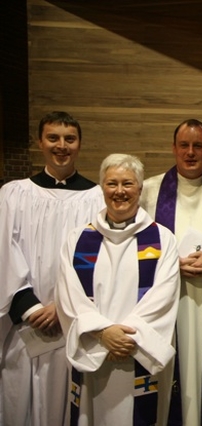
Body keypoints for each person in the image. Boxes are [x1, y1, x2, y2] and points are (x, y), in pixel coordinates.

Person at [55, 153, 180, 425]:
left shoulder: (162, 238)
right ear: (102, 187)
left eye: (128, 184)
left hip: (136, 352)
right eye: (112, 184)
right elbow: (69, 296)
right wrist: (102, 333)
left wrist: (124, 338)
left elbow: (164, 296)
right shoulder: (78, 239)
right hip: (94, 352)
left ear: (140, 188)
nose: (120, 191)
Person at [0, 111, 105, 426]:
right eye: (53, 138)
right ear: (40, 142)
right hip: (25, 327)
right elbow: (4, 252)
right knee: (19, 402)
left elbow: (100, 261)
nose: (62, 146)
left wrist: (63, 307)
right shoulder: (13, 195)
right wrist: (31, 309)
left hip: (73, 324)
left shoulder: (97, 199)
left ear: (79, 144)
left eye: (69, 139)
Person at [140, 118, 202, 426]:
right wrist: (171, 264)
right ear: (173, 148)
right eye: (183, 145)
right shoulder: (150, 190)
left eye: (197, 146)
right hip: (167, 303)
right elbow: (139, 248)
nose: (190, 152)